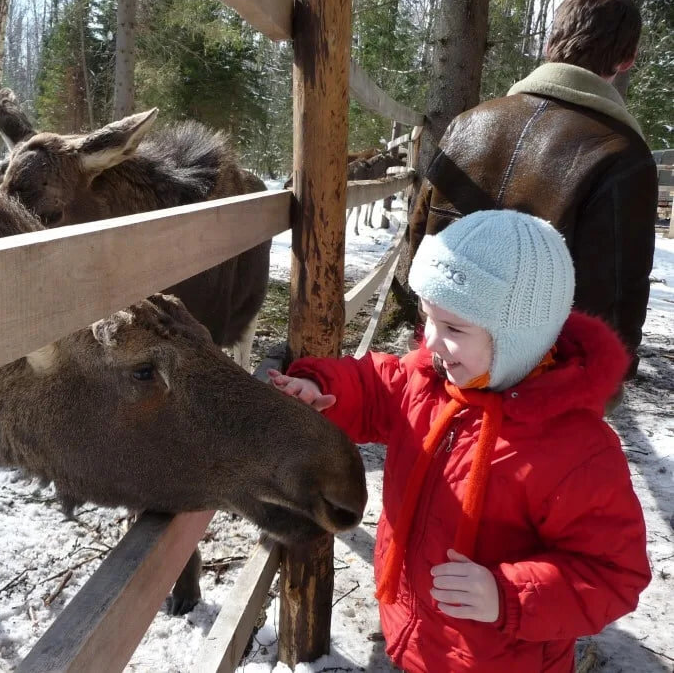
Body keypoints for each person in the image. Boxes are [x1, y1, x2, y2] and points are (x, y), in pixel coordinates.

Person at [270, 211, 650, 672]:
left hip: (499, 659)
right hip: (415, 632)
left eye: (454, 329)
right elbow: (374, 384)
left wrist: (507, 595)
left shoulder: (577, 452)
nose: (432, 341)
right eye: (428, 318)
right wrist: (318, 387)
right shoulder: (431, 380)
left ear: (517, 340)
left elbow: (613, 574)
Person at [406, 0, 658, 380]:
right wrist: (606, 380)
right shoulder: (624, 155)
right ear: (628, 59)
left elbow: (420, 235)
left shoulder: (468, 123)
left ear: (548, 45)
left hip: (447, 359)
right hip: (542, 385)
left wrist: (427, 332)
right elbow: (617, 292)